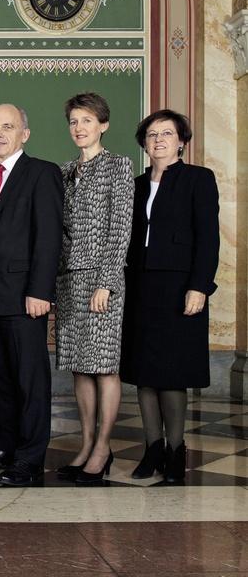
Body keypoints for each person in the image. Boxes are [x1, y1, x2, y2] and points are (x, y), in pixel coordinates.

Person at [0, 103, 63, 486]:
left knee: (30, 380)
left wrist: (41, 291)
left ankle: (30, 458)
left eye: (7, 126)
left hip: (24, 297)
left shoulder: (41, 173)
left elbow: (49, 237)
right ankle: (4, 445)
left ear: (25, 132)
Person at [121, 109, 219, 484]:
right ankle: (152, 449)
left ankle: (176, 451)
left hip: (180, 288)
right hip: (141, 285)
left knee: (172, 373)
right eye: (151, 135)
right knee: (144, 374)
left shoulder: (198, 179)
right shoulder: (136, 184)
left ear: (181, 141)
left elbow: (208, 238)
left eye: (166, 133)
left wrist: (200, 286)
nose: (158, 140)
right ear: (144, 143)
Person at [54, 93, 133, 485]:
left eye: (86, 120)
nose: (79, 128)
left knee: (103, 367)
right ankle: (85, 445)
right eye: (73, 121)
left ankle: (103, 447)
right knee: (79, 368)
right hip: (69, 280)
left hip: (102, 281)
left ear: (102, 124)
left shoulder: (118, 166)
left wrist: (106, 282)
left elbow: (120, 229)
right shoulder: (65, 170)